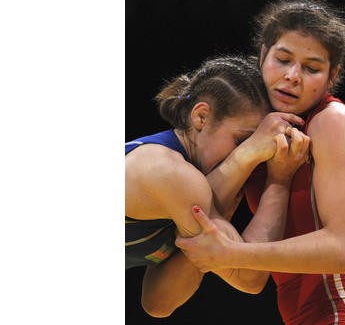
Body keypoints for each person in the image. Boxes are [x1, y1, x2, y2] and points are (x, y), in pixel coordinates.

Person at [176, 0, 345, 324]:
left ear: (332, 76)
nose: (293, 76)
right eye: (283, 60)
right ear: (262, 55)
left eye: (311, 68)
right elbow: (199, 204)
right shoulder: (252, 121)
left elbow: (343, 251)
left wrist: (232, 254)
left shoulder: (332, 121)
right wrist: (249, 151)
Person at [125, 55, 310, 317]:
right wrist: (276, 178)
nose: (261, 153)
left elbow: (158, 304)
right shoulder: (168, 172)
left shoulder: (190, 187)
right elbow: (250, 277)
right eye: (243, 139)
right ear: (201, 117)